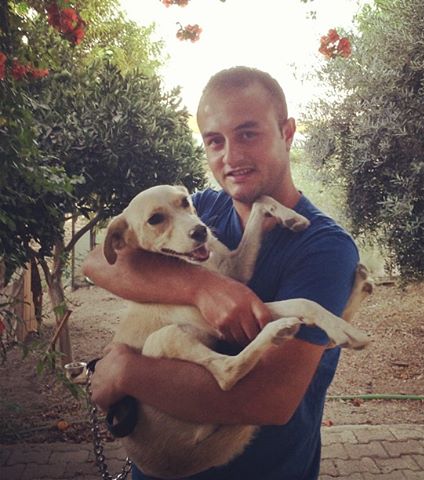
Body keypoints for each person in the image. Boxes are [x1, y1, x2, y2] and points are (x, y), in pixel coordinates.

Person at [82, 66, 359, 480]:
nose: (230, 157)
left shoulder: (323, 247)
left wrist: (127, 372)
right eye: (215, 141)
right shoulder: (203, 209)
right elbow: (97, 261)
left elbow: (268, 400)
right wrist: (200, 286)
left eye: (247, 134)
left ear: (287, 133)